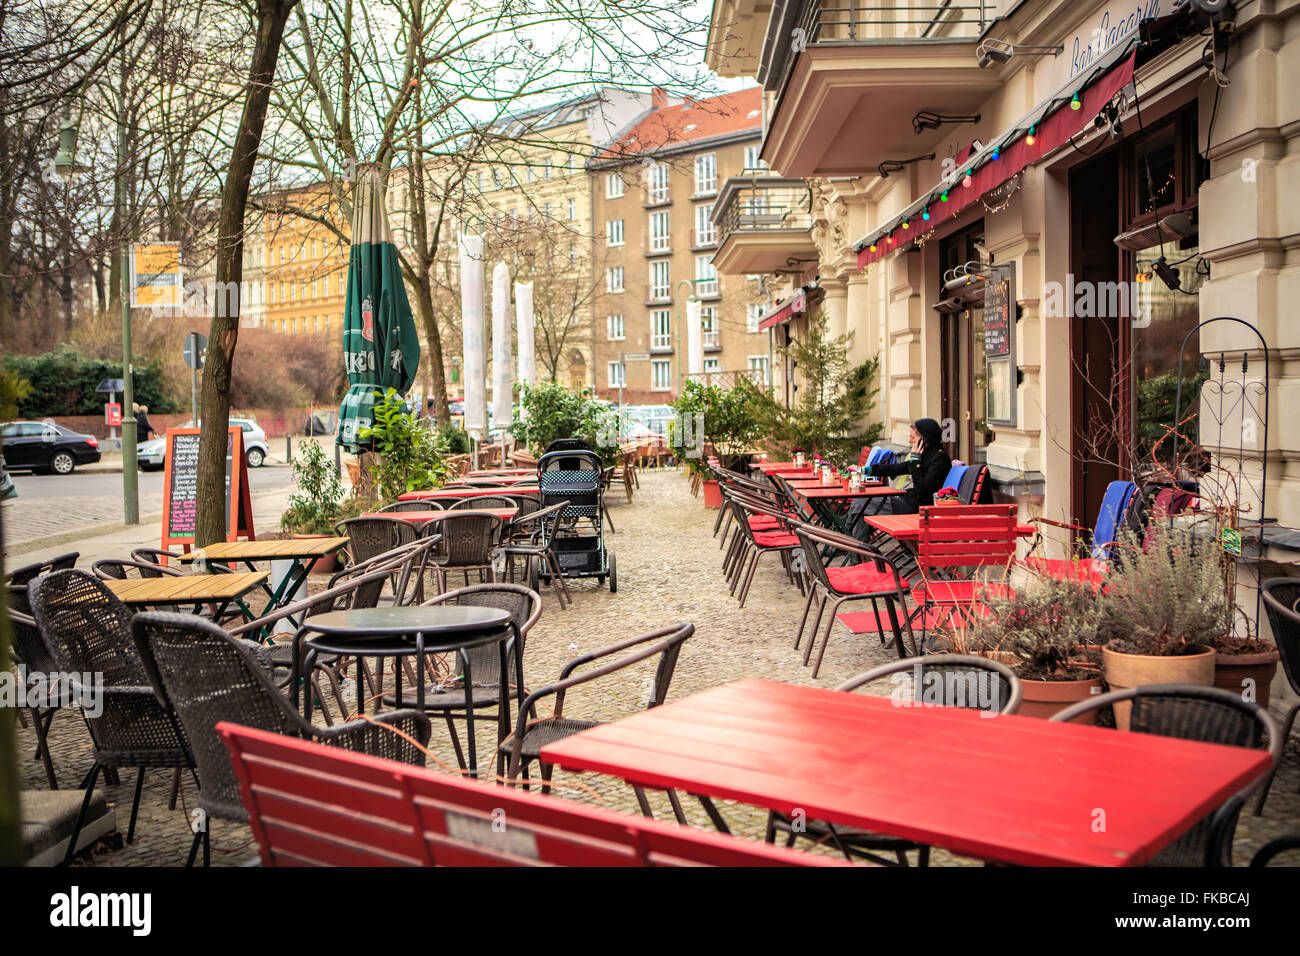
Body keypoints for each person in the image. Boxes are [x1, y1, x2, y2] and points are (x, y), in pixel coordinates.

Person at [862, 418, 952, 515]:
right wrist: (867, 470)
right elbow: (896, 468)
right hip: (907, 501)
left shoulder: (940, 459)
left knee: (862, 503)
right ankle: (850, 529)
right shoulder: (925, 455)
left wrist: (915, 461)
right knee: (860, 503)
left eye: (913, 437)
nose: (909, 441)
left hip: (919, 508)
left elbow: (922, 491)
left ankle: (849, 529)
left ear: (925, 439)